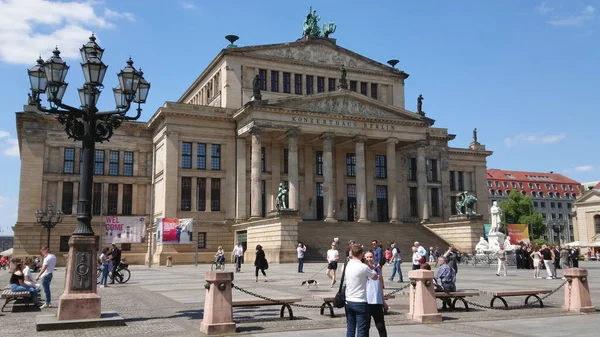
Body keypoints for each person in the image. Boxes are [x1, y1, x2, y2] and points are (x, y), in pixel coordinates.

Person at [345, 244, 378, 337]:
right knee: (362, 330)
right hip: (360, 301)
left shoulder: (345, 265)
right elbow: (375, 277)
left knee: (350, 329)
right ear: (361, 254)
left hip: (349, 300)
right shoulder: (363, 267)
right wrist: (369, 266)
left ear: (351, 253)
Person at [364, 250, 388, 337]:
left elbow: (380, 286)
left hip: (377, 302)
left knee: (381, 325)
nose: (369, 259)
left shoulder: (377, 269)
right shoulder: (363, 269)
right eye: (367, 257)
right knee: (366, 327)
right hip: (366, 302)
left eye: (371, 257)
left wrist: (383, 301)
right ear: (364, 258)